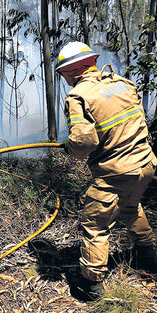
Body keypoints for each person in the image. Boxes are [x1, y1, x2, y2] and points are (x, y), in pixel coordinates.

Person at [56, 41, 157, 300]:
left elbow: (84, 142)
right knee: (130, 207)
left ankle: (92, 287)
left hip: (116, 173)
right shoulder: (123, 83)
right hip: (146, 165)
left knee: (95, 224)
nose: (64, 79)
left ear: (72, 70)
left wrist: (69, 148)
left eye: (62, 73)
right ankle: (148, 256)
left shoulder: (78, 96)